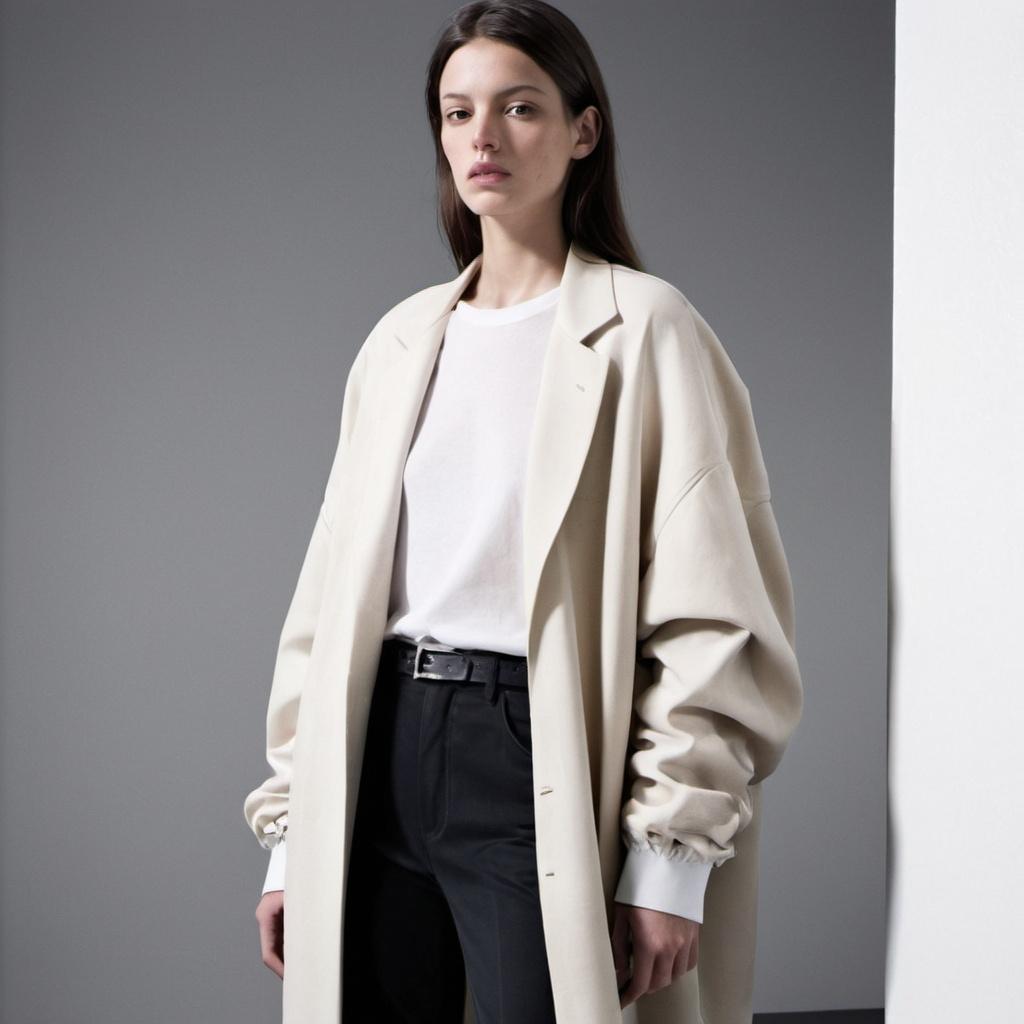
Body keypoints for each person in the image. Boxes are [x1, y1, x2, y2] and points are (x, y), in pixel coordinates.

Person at [243, 3, 803, 1023]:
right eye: (458, 113)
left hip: (530, 750)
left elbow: (715, 615)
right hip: (378, 743)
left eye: (519, 108)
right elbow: (322, 610)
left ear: (583, 131)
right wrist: (292, 835)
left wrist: (669, 857)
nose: (483, 139)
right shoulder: (400, 342)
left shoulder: (647, 330)